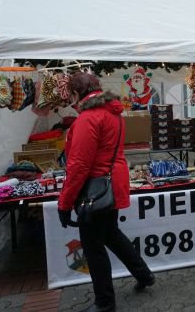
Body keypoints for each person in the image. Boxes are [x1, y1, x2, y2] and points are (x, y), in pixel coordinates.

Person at [57, 72, 154, 312]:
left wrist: (64, 202)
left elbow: (79, 165)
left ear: (78, 93)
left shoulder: (88, 118)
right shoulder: (113, 113)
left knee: (93, 248)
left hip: (94, 189)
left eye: (71, 94)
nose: (71, 99)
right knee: (111, 234)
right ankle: (144, 275)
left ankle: (105, 303)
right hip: (110, 183)